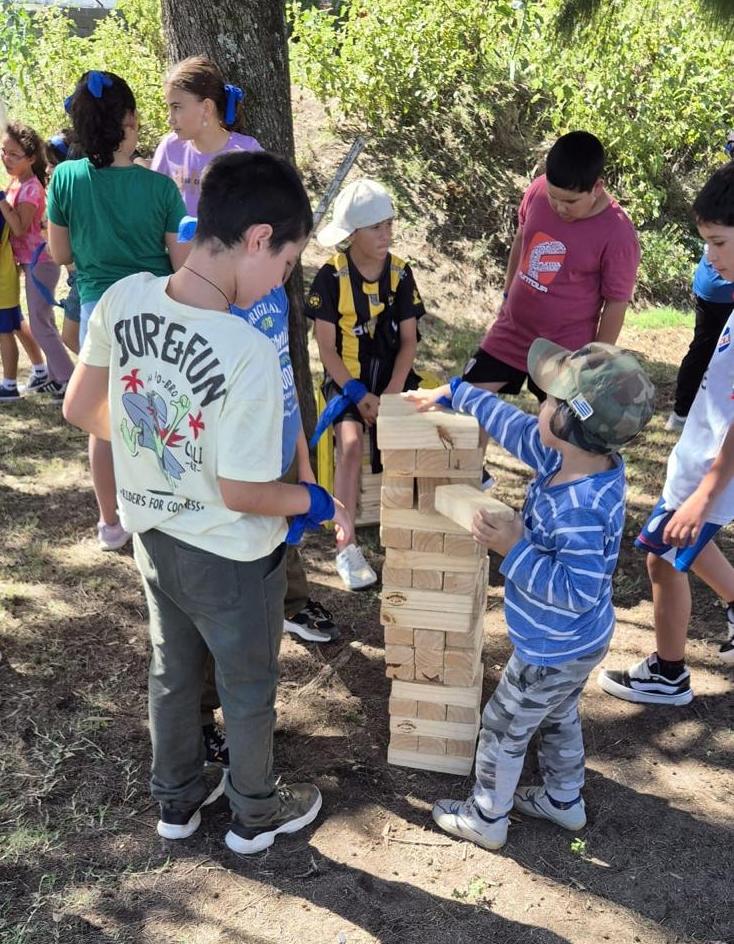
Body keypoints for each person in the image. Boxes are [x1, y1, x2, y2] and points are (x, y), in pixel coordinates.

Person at [63, 149, 353, 854]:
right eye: (285, 264)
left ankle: (177, 799)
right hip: (231, 556)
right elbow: (242, 492)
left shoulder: (126, 298)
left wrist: (159, 455)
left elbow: (80, 408)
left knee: (173, 672)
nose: (280, 282)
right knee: (248, 685)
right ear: (258, 238)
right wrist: (313, 500)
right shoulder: (244, 349)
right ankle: (256, 814)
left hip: (153, 538)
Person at [405, 339, 654, 851]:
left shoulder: (579, 508)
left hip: (552, 647)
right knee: (558, 714)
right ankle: (564, 799)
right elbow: (514, 427)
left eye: (549, 400)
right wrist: (457, 392)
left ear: (566, 421)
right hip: (578, 642)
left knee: (502, 726)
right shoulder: (575, 459)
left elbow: (577, 590)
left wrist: (513, 547)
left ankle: (486, 816)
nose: (538, 406)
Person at [599, 162, 734, 706]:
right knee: (674, 550)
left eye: (719, 242)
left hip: (711, 473)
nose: (710, 256)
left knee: (662, 554)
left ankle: (669, 674)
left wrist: (703, 496)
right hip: (701, 463)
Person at [47, 70, 188, 551]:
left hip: (96, 311)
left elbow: (60, 253)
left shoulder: (65, 178)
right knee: (161, 411)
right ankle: (162, 507)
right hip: (155, 316)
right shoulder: (161, 188)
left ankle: (111, 522)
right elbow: (181, 264)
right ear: (130, 119)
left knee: (104, 420)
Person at [308, 178, 425, 590]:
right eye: (376, 227)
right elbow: (326, 349)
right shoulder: (330, 277)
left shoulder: (401, 273)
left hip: (394, 380)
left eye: (389, 224)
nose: (386, 234)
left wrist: (392, 393)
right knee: (352, 443)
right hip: (348, 383)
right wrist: (358, 394)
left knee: (425, 434)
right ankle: (346, 545)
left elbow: (409, 341)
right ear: (352, 233)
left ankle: (415, 532)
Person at [462, 131, 640, 401]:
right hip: (511, 330)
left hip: (564, 349)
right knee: (464, 398)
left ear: (597, 187)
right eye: (553, 196)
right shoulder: (537, 191)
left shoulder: (618, 233)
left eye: (570, 201)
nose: (559, 207)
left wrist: (594, 361)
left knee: (556, 424)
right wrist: (507, 295)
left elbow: (616, 303)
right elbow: (522, 238)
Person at [0, 120, 73, 399]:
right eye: (3, 152)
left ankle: (67, 379)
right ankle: (55, 376)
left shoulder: (31, 188)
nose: (6, 159)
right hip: (29, 262)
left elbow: (19, 227)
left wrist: (2, 202)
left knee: (41, 325)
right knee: (44, 322)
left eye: (14, 154)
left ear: (31, 158)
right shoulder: (16, 182)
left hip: (40, 262)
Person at [151, 55, 262, 215]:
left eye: (177, 107)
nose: (170, 119)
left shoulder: (248, 153)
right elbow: (153, 210)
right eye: (169, 108)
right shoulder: (169, 148)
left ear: (206, 108)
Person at [46, 128, 83, 355]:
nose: (47, 169)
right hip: (77, 277)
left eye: (52, 164)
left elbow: (60, 253)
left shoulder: (66, 193)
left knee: (72, 337)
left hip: (83, 277)